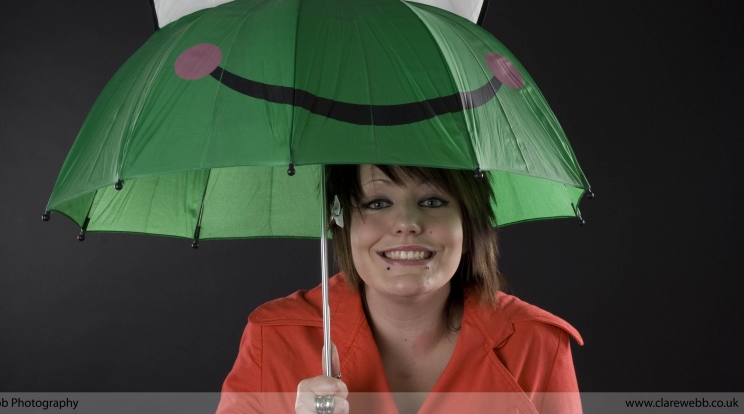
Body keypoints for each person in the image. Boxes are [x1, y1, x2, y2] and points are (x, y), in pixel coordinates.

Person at [217, 165, 582, 414]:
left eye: (433, 201)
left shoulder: (537, 343)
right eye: (377, 203)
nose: (407, 223)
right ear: (340, 222)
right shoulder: (274, 338)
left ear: (468, 227)